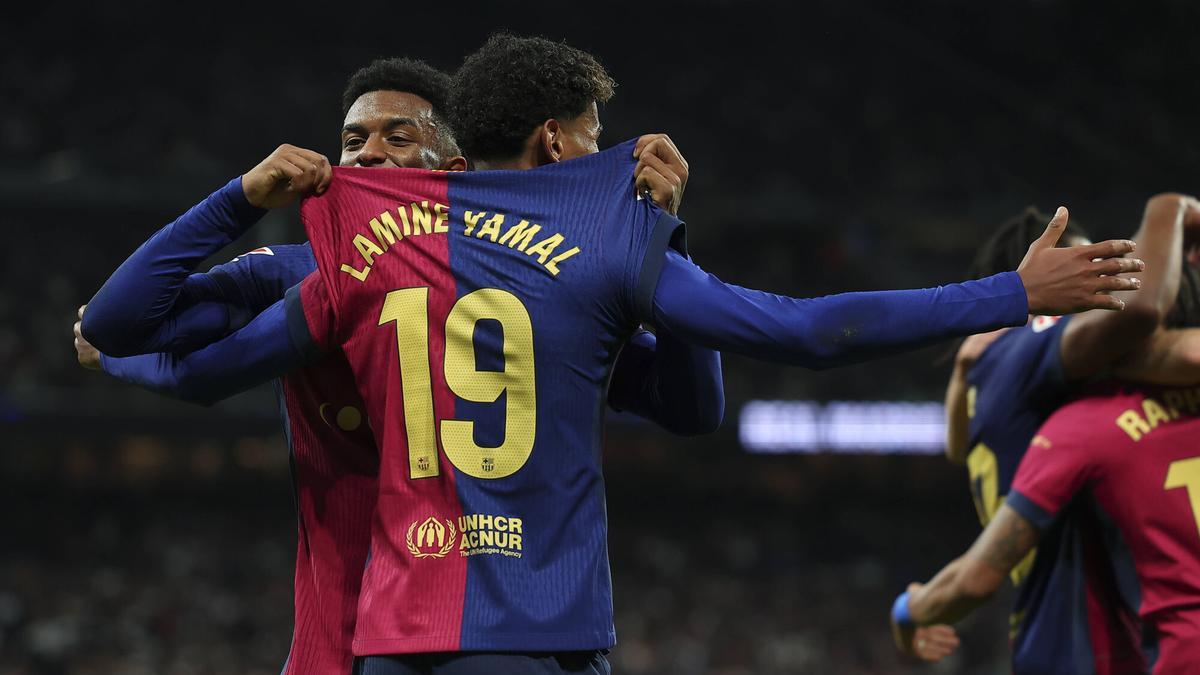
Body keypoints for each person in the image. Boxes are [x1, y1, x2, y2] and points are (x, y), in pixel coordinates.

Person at [83, 34, 1143, 674]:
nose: (368, 159)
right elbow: (804, 332)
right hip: (518, 627)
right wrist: (1010, 292)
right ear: (557, 139)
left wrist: (119, 337)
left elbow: (188, 365)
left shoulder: (350, 260)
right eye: (593, 133)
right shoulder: (590, 239)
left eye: (397, 141)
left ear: (454, 149)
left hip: (382, 636)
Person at [75, 56, 721, 675]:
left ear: (455, 169)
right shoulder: (301, 273)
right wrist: (240, 198)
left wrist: (670, 238)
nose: (369, 154)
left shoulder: (527, 292)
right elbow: (129, 327)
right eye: (352, 140)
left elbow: (690, 406)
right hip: (342, 647)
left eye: (397, 136)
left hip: (469, 634)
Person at [891, 260, 1200, 675]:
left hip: (1082, 649)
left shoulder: (1081, 427)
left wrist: (907, 608)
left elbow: (974, 577)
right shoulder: (1065, 396)